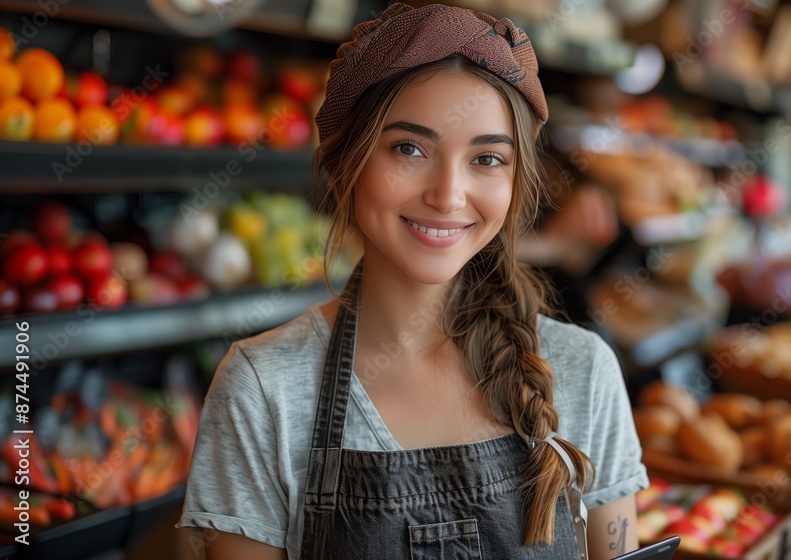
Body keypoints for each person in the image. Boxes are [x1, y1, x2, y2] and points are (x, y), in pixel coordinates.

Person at [176, 4, 648, 559]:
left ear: (517, 178)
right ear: (345, 160)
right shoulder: (263, 389)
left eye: (488, 158)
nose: (448, 195)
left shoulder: (584, 371)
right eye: (409, 149)